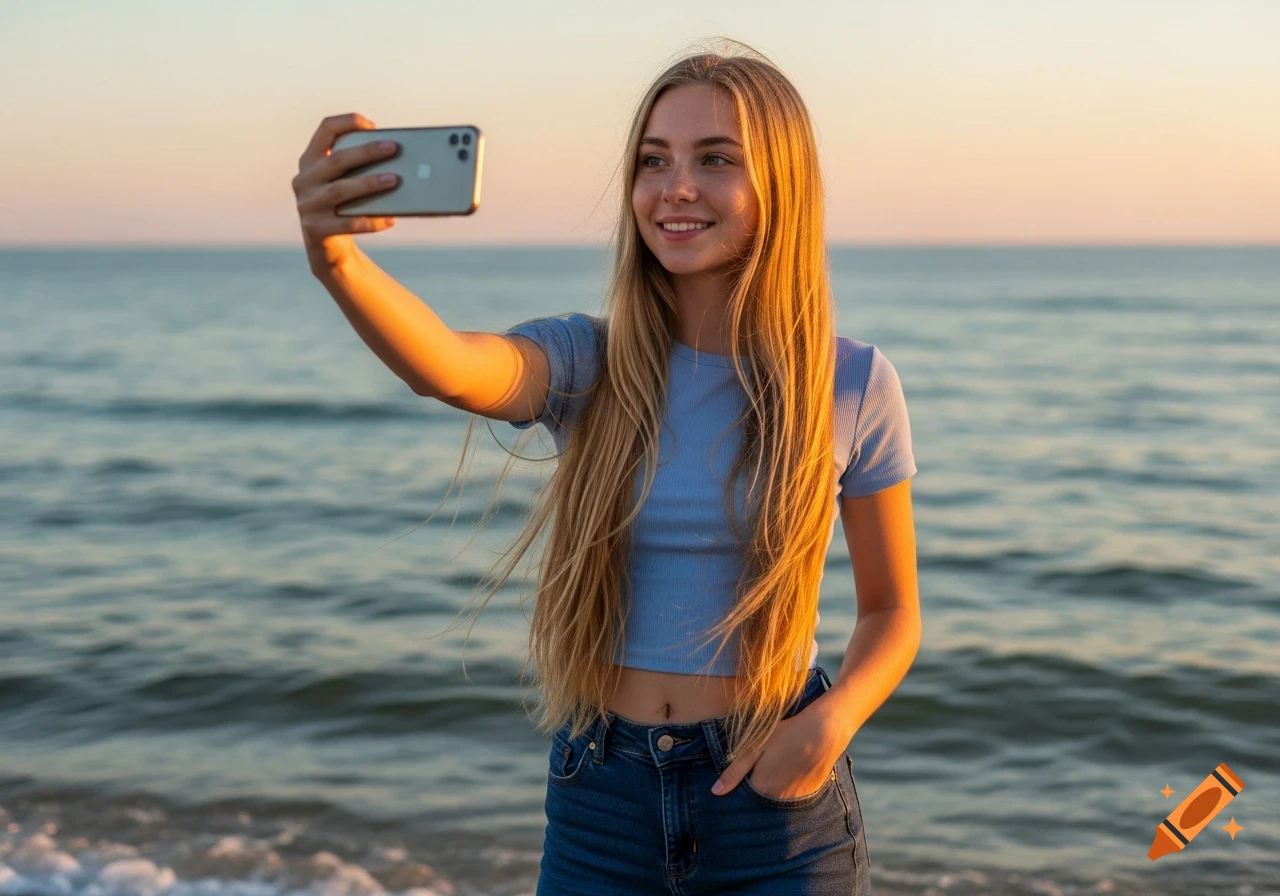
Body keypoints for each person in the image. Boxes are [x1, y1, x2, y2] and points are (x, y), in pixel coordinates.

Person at [293, 40, 919, 896]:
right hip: (602, 796)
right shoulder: (592, 361)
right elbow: (445, 365)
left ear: (782, 184)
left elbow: (892, 611)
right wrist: (338, 261)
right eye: (653, 161)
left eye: (716, 159)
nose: (676, 189)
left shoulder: (849, 383)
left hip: (775, 802)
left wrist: (832, 723)